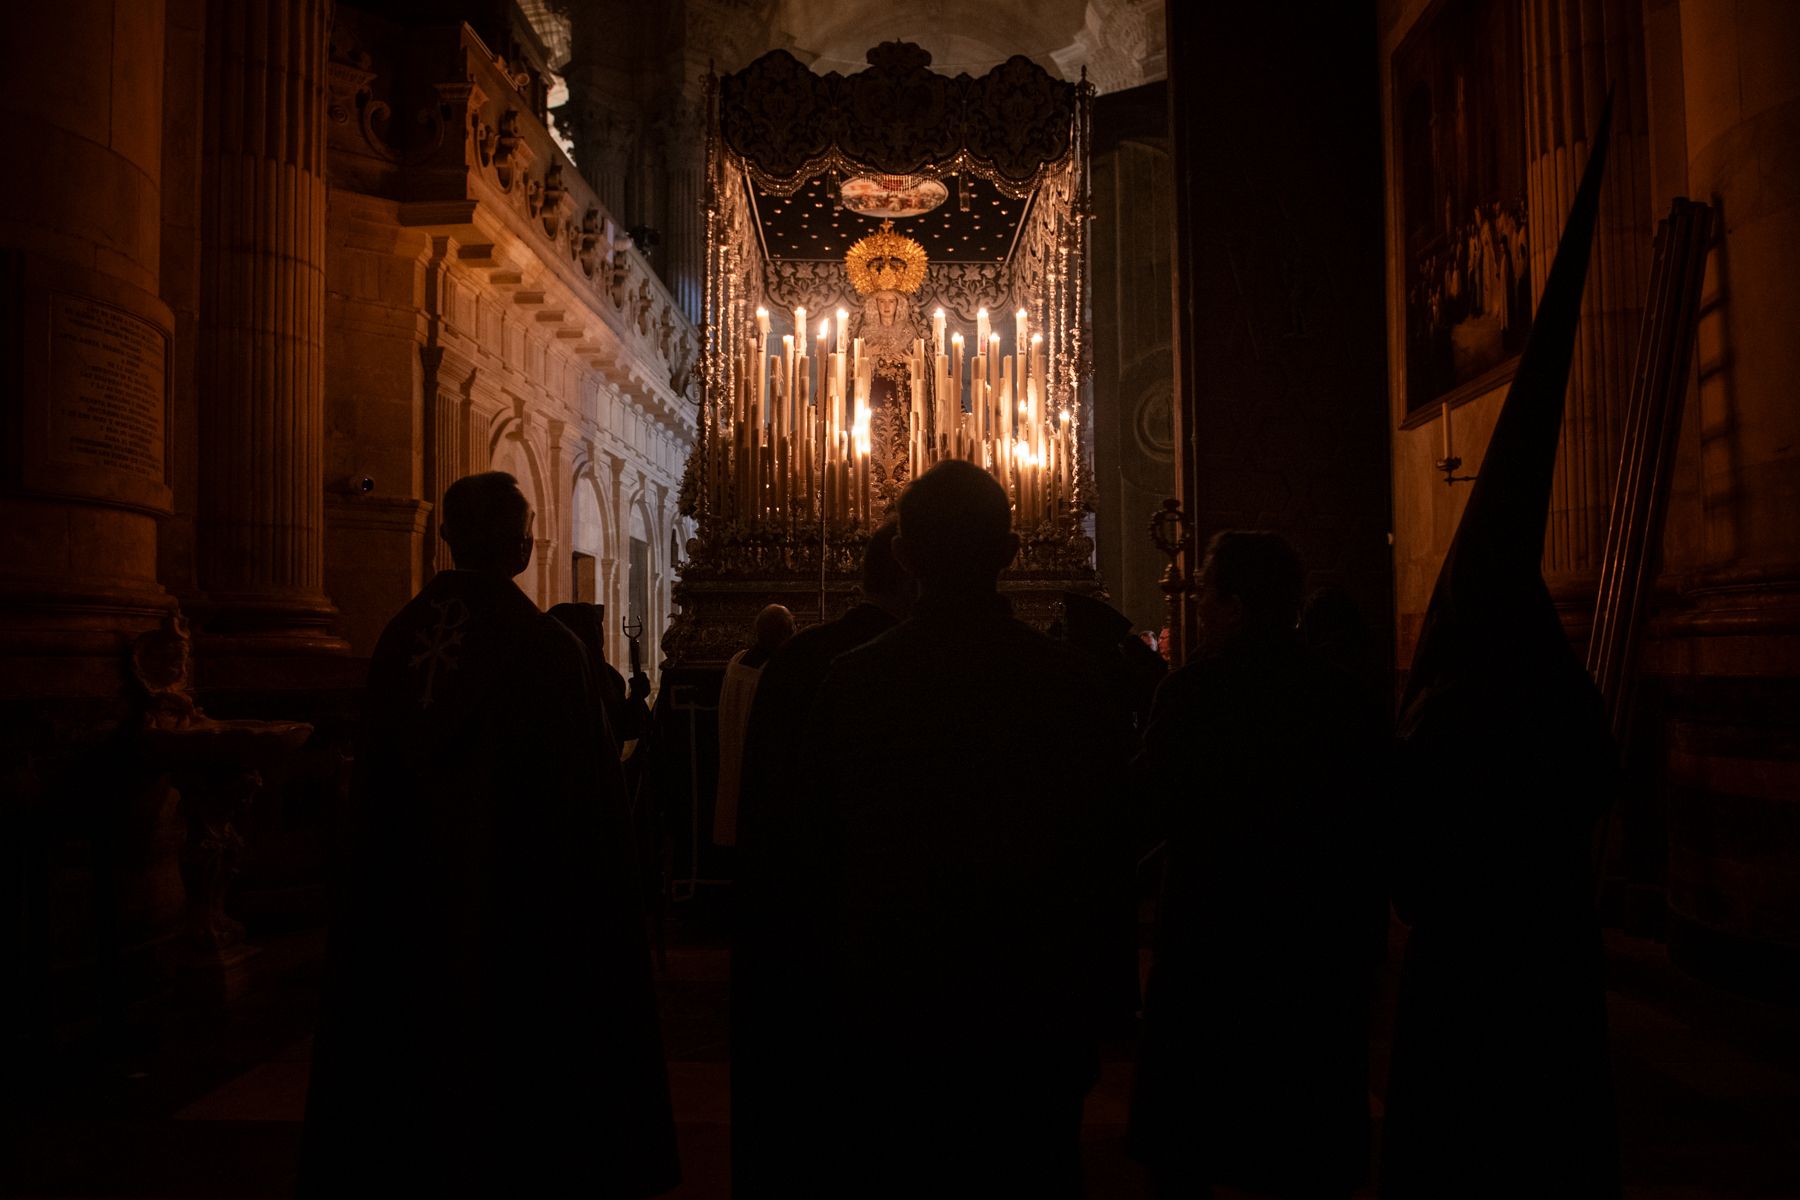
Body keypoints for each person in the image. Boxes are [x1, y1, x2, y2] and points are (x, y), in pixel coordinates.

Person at [299, 471, 678, 1198]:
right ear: (523, 546)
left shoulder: (399, 637)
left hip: (407, 916)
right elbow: (587, 810)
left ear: (446, 536)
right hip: (519, 925)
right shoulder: (547, 649)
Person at [1382, 99, 1620, 1200]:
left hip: (1467, 967)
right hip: (1553, 954)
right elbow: (1600, 783)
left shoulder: (1450, 707)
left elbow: (1409, 853)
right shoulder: (1556, 688)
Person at [797, 460, 1135, 1196]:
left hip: (896, 1002)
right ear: (1009, 553)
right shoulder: (1069, 684)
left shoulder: (854, 684)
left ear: (903, 555)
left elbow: (815, 863)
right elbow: (1106, 852)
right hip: (1032, 1005)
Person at [1129, 531, 1385, 1200]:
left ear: (1236, 607)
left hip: (1210, 939)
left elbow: (1149, 808)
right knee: (1302, 1138)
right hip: (1311, 942)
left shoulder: (1193, 694)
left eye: (1206, 595)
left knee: (1194, 1131)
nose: (1197, 606)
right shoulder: (1343, 697)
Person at [730, 522, 915, 1197]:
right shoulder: (915, 663)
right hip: (899, 950)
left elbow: (764, 804)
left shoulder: (801, 659)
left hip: (804, 932)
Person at [710, 604, 794, 847]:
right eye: (793, 627)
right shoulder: (772, 672)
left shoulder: (737, 661)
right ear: (784, 634)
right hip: (757, 764)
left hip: (732, 750)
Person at [549, 601, 651, 749]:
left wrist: (637, 697)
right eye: (593, 627)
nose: (598, 634)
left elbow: (623, 726)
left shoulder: (611, 676)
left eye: (598, 627)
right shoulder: (557, 676)